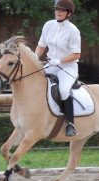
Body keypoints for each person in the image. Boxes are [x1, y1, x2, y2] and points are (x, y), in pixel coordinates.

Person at [35, 0, 81, 137]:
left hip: (68, 68)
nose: (58, 12)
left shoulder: (73, 30)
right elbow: (41, 46)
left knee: (63, 90)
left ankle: (70, 124)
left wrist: (60, 60)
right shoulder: (48, 25)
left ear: (69, 13)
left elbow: (76, 54)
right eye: (57, 9)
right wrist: (35, 57)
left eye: (62, 10)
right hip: (50, 65)